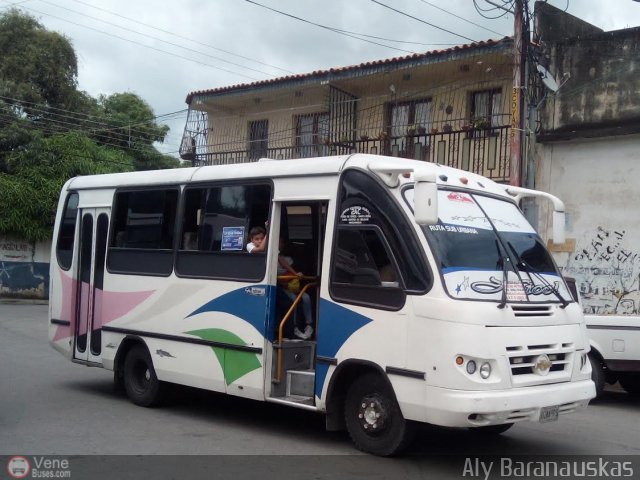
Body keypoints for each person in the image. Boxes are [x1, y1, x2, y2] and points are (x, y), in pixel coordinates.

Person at [277, 240, 314, 340]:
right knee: (293, 300)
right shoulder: (271, 258)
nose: (279, 243)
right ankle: (294, 327)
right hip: (280, 287)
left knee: (306, 297)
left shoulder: (288, 260)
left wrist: (296, 275)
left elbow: (294, 274)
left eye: (281, 242)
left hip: (291, 286)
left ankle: (309, 325)